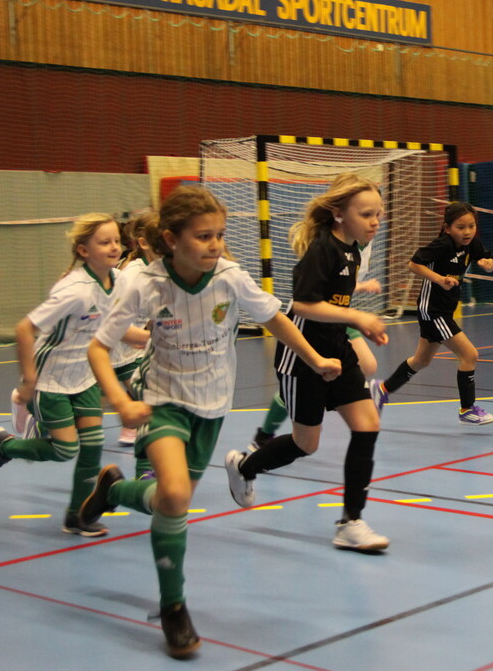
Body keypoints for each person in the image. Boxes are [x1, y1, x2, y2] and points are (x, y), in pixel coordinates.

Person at [78, 185, 341, 658]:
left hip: (212, 406)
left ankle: (113, 491)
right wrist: (119, 401)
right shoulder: (145, 284)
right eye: (203, 236)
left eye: (219, 234)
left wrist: (315, 358)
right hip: (163, 400)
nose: (215, 244)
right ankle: (174, 607)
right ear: (171, 239)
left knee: (169, 501)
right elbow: (98, 347)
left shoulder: (230, 278)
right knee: (176, 496)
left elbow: (275, 319)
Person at [225, 173, 390, 553]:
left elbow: (334, 304)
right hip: (303, 357)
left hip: (337, 350)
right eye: (366, 214)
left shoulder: (352, 250)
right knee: (306, 444)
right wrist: (358, 317)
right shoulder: (323, 249)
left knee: (368, 425)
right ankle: (244, 467)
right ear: (339, 214)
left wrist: (359, 325)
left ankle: (351, 522)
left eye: (378, 214)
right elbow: (302, 305)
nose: (375, 222)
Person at [0, 213, 149, 538]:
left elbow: (116, 328)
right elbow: (24, 329)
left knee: (93, 446)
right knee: (65, 449)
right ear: (84, 250)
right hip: (51, 378)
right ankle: (5, 447)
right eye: (105, 242)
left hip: (85, 376)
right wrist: (29, 381)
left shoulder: (120, 282)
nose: (114, 247)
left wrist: (156, 339)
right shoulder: (74, 290)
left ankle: (77, 517)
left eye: (116, 240)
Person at [372, 202, 493, 425]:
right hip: (433, 311)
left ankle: (381, 390)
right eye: (460, 227)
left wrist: (488, 263)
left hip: (444, 310)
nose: (467, 232)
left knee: (421, 361)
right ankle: (467, 409)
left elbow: (486, 258)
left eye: (471, 226)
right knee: (469, 355)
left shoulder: (472, 244)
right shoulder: (442, 245)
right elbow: (413, 265)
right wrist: (439, 279)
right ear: (447, 228)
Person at [251, 241, 381, 449]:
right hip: (313, 318)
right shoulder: (330, 245)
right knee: (304, 383)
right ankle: (266, 433)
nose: (374, 225)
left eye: (377, 221)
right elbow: (321, 288)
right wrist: (363, 288)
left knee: (368, 365)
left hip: (338, 317)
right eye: (368, 220)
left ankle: (341, 396)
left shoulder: (361, 246)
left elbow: (343, 287)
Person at [111, 209, 160, 450]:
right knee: (78, 409)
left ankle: (134, 428)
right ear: (144, 243)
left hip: (129, 351)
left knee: (149, 395)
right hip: (107, 348)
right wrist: (144, 336)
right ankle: (31, 406)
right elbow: (112, 321)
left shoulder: (159, 270)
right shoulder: (132, 275)